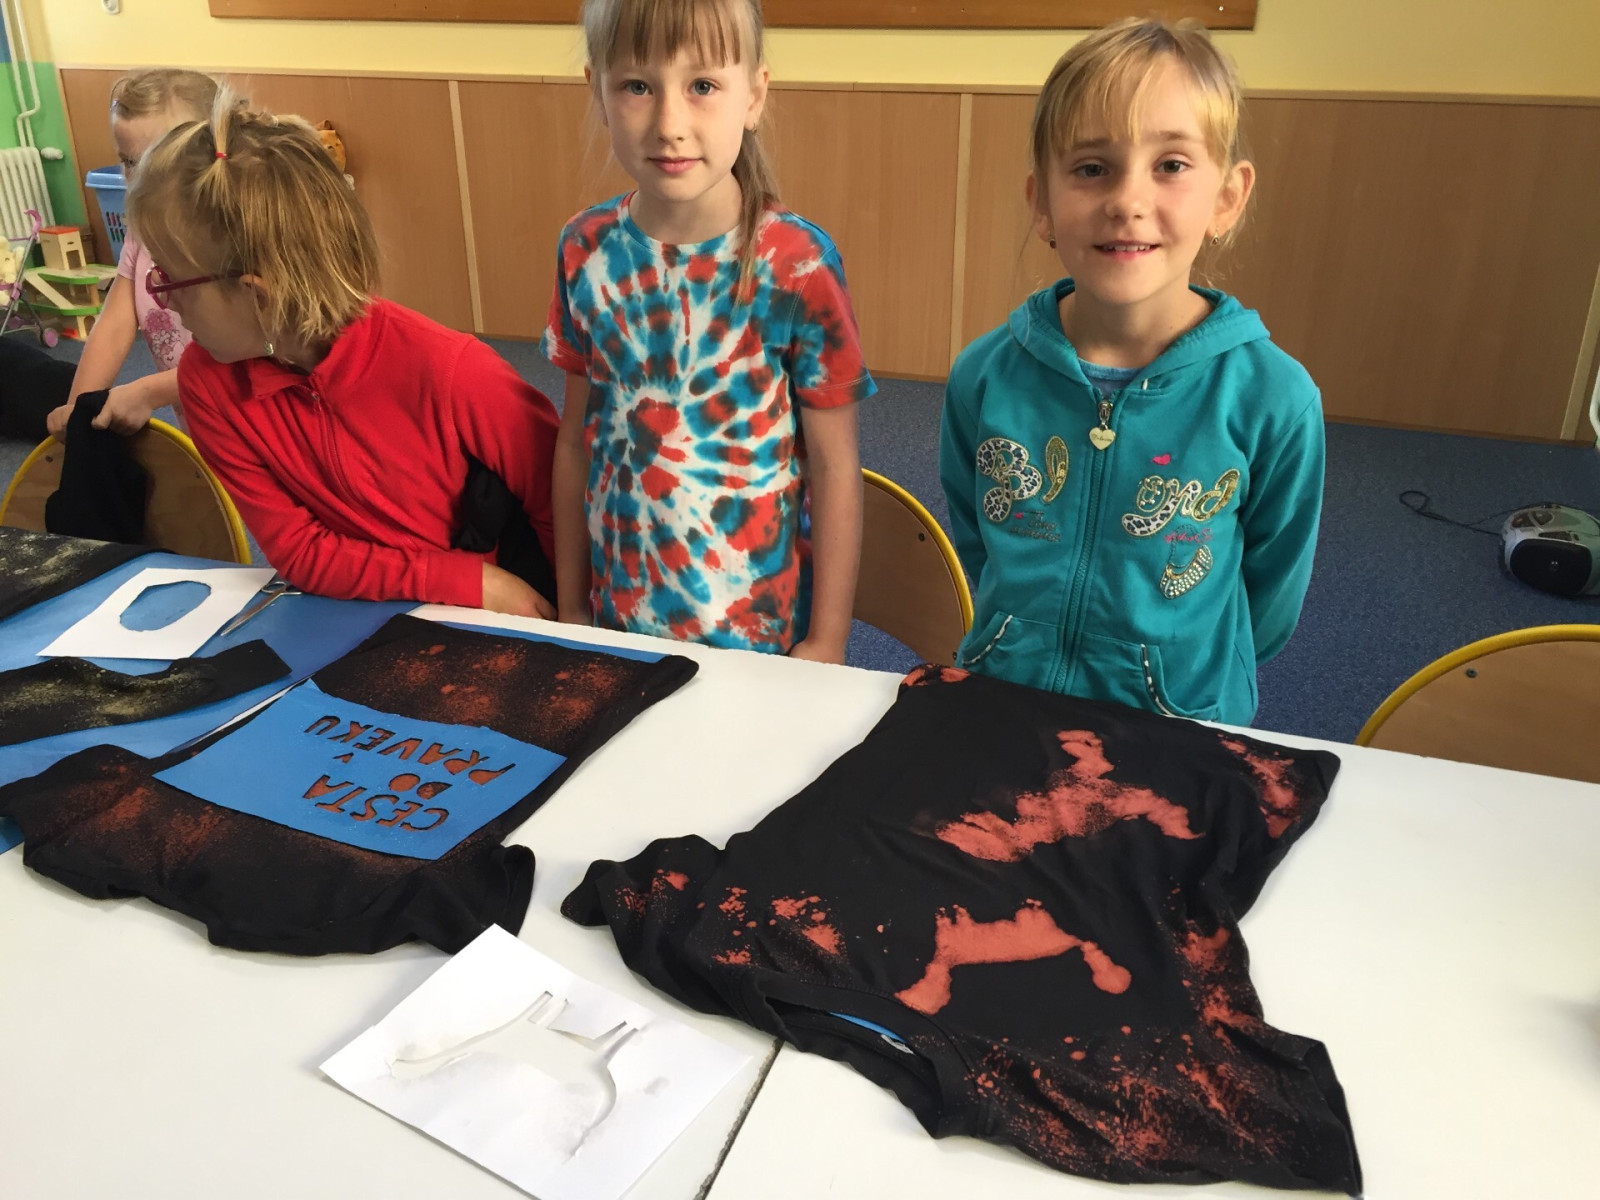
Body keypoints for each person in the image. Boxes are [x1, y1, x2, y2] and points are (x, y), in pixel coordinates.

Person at [940, 17, 1324, 725]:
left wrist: (1178, 678)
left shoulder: (1275, 398)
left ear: (1227, 197)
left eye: (1171, 165)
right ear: (1042, 203)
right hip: (1005, 702)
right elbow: (978, 537)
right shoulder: (984, 375)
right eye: (1092, 168)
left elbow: (1269, 598)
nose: (1127, 201)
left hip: (1177, 725)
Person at [127, 91, 559, 615]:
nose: (161, 298)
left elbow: (567, 510)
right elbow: (301, 554)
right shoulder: (207, 384)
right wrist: (463, 581)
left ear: (257, 295)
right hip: (376, 611)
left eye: (170, 279)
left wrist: (576, 627)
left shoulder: (455, 371)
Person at [543, 0, 875, 662]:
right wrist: (573, 606)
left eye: (702, 85)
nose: (670, 125)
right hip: (616, 626)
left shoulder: (797, 265)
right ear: (598, 94)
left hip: (757, 644)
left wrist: (828, 640)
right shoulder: (585, 250)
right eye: (637, 86)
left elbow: (836, 467)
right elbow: (577, 442)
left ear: (753, 95)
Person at [0, 69, 215, 444]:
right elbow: (115, 324)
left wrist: (147, 392)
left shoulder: (232, 241)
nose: (140, 180)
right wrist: (77, 404)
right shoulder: (141, 234)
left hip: (267, 431)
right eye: (130, 162)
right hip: (202, 426)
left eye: (159, 162)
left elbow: (247, 360)